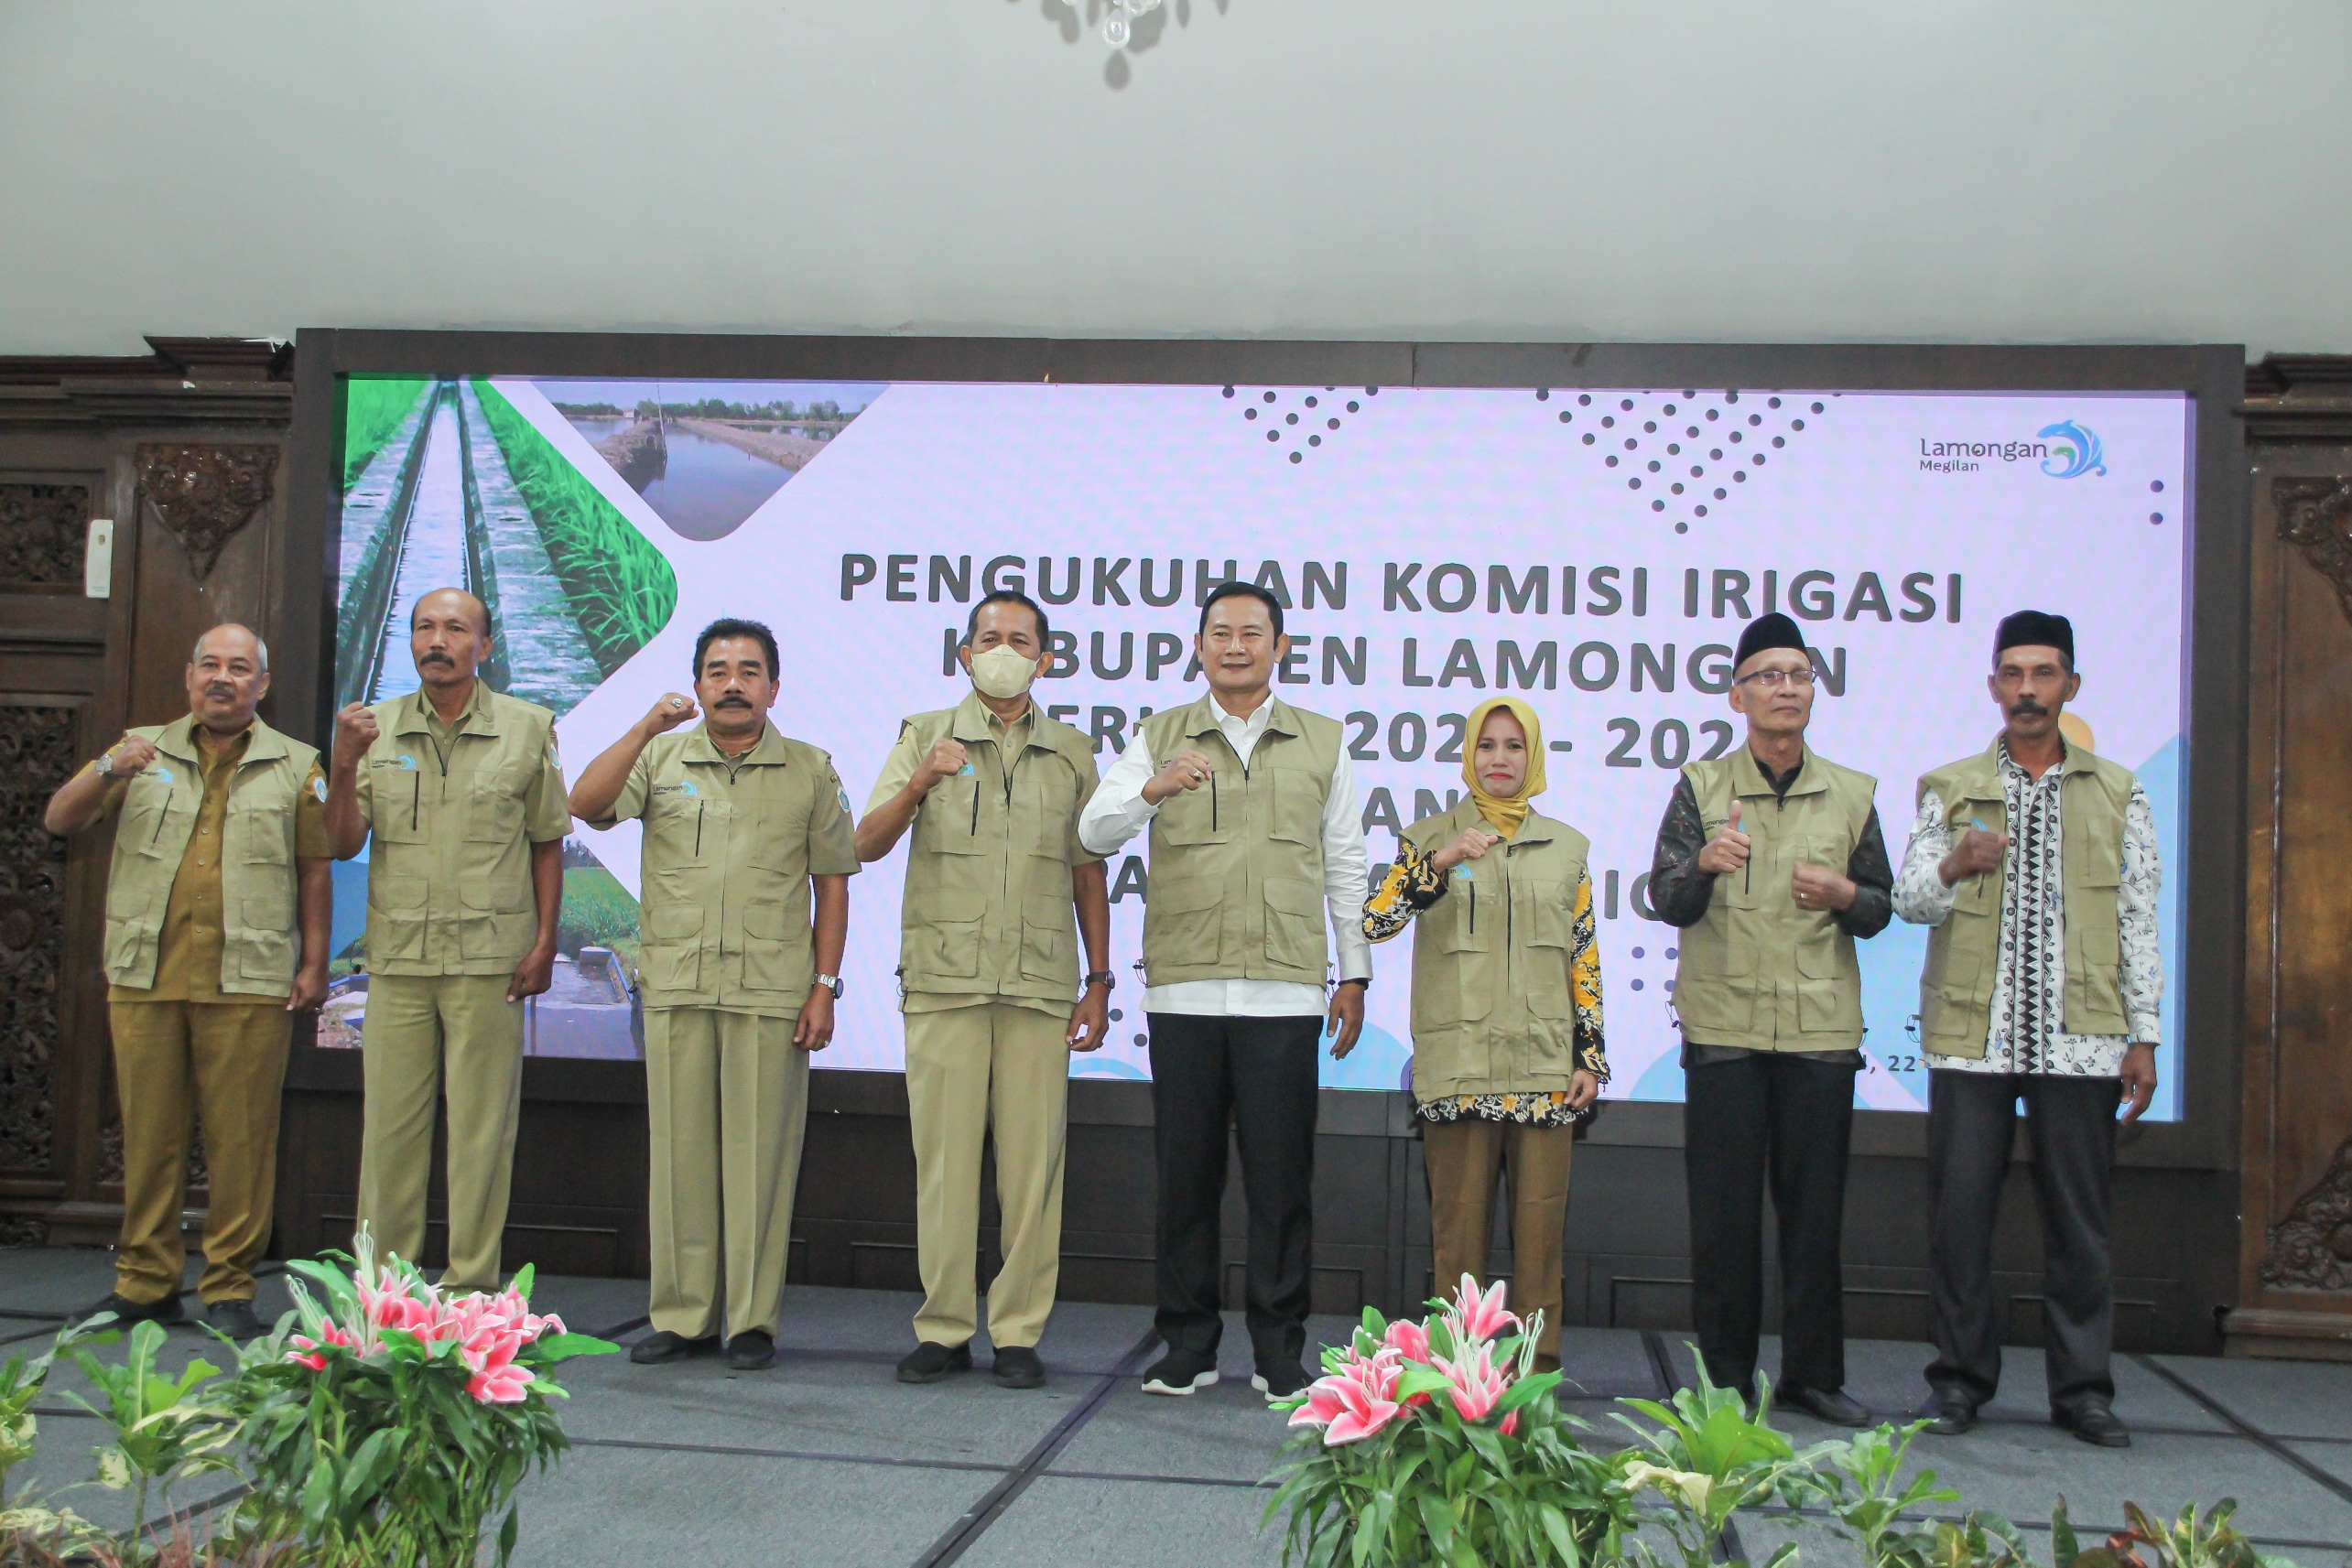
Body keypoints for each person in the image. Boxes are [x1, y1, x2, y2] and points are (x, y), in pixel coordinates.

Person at [1078, 579, 1370, 1402]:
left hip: (1284, 991)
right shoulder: (1159, 736)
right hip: (1185, 991)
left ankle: (1279, 1347)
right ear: (1198, 647)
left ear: (1280, 646)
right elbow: (1091, 832)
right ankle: (1187, 1343)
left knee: (1282, 1182)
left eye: (1252, 632)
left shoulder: (1321, 740)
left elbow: (1344, 860)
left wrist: (1354, 971)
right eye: (1219, 632)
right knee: (1186, 1178)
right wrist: (1152, 787)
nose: (1235, 645)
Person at [1895, 611, 2161, 1449]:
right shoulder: (1949, 785)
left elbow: (2138, 918)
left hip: (2082, 1038)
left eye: (2043, 674)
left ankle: (2082, 1389)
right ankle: (1959, 1381)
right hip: (1971, 1037)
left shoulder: (2118, 790)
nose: (2026, 691)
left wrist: (2143, 1035)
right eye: (2011, 674)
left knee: (2078, 1221)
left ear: (2070, 686)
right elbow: (1907, 899)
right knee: (1959, 1216)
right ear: (1991, 687)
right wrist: (1951, 862)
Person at [570, 617, 856, 1371]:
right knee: (681, 1156)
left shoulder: (810, 769)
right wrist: (642, 726)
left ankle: (753, 1320)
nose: (733, 683)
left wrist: (824, 986)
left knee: (762, 1158)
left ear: (773, 686)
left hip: (770, 989)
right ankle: (686, 1315)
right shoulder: (660, 757)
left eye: (750, 670)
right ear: (697, 684)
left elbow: (832, 886)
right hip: (679, 985)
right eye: (718, 670)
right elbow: (586, 803)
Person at [855, 589, 1111, 1390]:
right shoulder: (921, 735)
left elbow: (1087, 870)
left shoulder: (1072, 750)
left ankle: (1018, 1331)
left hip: (1038, 983)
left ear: (1045, 659)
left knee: (1033, 1170)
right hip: (943, 981)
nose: (1004, 648)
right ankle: (942, 1326)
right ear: (964, 655)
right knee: (944, 1164)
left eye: (1021, 639)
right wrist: (919, 782)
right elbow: (862, 842)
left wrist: (1099, 980)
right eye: (989, 637)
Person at [44, 625, 330, 1338]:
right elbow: (60, 818)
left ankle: (229, 1287)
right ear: (188, 675)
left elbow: (315, 868)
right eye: (210, 664)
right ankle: (144, 1283)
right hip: (147, 976)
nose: (223, 678)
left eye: (240, 668)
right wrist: (109, 766)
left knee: (241, 1142)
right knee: (150, 1137)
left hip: (250, 978)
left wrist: (315, 961)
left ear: (262, 686)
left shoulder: (298, 765)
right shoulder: (137, 750)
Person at [1647, 611, 1892, 1425]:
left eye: (1798, 675)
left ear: (1812, 693)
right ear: (1737, 695)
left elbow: (1879, 908)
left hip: (1821, 1035)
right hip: (1723, 1031)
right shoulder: (1701, 787)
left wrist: (1847, 894)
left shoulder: (1853, 792)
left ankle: (1812, 1375)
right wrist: (1704, 865)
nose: (1785, 688)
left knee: (1814, 1215)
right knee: (1721, 1217)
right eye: (1768, 676)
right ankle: (1722, 1377)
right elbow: (1663, 897)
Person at [323, 588, 569, 1293]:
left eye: (456, 628)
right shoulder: (375, 729)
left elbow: (546, 842)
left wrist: (545, 940)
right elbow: (340, 841)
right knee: (390, 1135)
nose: (439, 640)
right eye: (425, 627)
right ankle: (384, 1292)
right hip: (399, 957)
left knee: (481, 1133)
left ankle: (471, 1288)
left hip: (490, 960)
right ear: (411, 642)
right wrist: (343, 763)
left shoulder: (528, 728)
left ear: (483, 647)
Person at [1362, 697, 1605, 1372]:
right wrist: (1437, 862)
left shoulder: (1566, 847)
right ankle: (1453, 1372)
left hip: (1543, 1067)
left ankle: (1537, 1374)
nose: (1499, 759)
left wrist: (1590, 1053)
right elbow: (1374, 922)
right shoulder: (1425, 838)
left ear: (1533, 757)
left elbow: (1581, 952)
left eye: (1513, 746)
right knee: (1457, 1240)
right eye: (1487, 746)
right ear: (1468, 755)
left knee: (1540, 1239)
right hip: (1459, 1063)